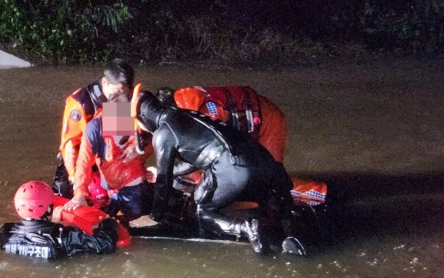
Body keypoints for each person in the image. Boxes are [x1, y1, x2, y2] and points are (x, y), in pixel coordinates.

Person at [128, 86, 305, 255]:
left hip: (236, 167)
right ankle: (290, 228)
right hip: (265, 161)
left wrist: (154, 217)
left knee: (202, 209)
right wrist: (168, 171)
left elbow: (163, 183)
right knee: (272, 198)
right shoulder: (186, 114)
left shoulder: (162, 134)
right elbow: (197, 156)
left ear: (142, 119)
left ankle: (246, 228)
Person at [157, 86, 327, 205]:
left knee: (271, 183)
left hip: (266, 122)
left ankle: (319, 194)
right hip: (250, 121)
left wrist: (166, 173)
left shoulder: (200, 115)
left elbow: (207, 155)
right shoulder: (184, 101)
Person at [53, 59, 138, 198]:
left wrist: (134, 148)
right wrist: (74, 177)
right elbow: (70, 144)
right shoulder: (81, 102)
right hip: (79, 155)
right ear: (105, 82)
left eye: (125, 90)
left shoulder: (121, 99)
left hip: (103, 157)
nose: (121, 94)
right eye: (118, 90)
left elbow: (120, 140)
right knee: (64, 195)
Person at [63, 90, 154, 220]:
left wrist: (138, 150)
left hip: (135, 189)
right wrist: (79, 193)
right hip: (112, 190)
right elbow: (84, 162)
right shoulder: (95, 128)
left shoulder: (139, 122)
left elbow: (155, 144)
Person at [0, 180, 119, 259]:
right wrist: (109, 221)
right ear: (49, 209)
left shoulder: (6, 233)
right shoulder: (63, 237)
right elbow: (105, 244)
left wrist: (52, 225)